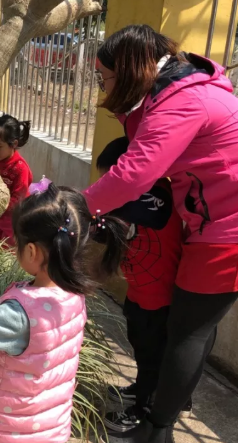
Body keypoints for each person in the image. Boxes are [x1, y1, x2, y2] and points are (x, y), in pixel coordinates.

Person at [85, 25, 238, 443]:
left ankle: (157, 428)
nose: (102, 86)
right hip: (212, 222)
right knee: (194, 328)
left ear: (133, 68)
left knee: (187, 331)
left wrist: (79, 208)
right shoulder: (172, 91)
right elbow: (139, 138)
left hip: (228, 231)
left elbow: (135, 171)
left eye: (105, 77)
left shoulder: (184, 101)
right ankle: (166, 406)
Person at [0, 179, 127, 443]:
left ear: (31, 251)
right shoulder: (73, 294)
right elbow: (29, 334)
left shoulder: (21, 312)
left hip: (10, 432)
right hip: (49, 426)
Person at [96, 137, 190, 432]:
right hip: (139, 291)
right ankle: (142, 387)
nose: (109, 187)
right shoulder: (135, 198)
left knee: (152, 354)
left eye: (112, 179)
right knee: (140, 344)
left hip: (158, 296)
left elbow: (109, 224)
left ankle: (143, 410)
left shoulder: (157, 196)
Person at [0, 115, 33, 248]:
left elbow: (18, 198)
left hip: (15, 219)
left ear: (13, 144)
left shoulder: (20, 168)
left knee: (9, 251)